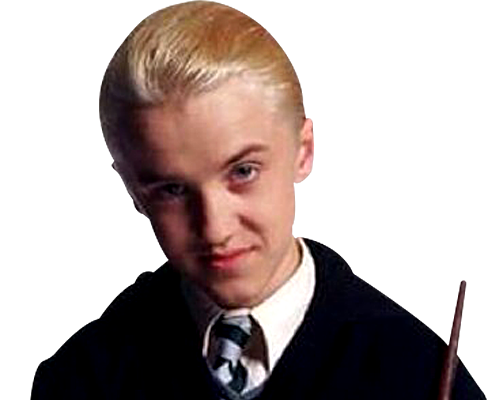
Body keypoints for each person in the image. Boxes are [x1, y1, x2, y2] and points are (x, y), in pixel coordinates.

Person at [32, 3, 485, 399]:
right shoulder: (79, 377)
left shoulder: (420, 375)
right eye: (172, 190)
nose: (215, 229)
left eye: (243, 171)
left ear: (303, 151)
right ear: (134, 189)